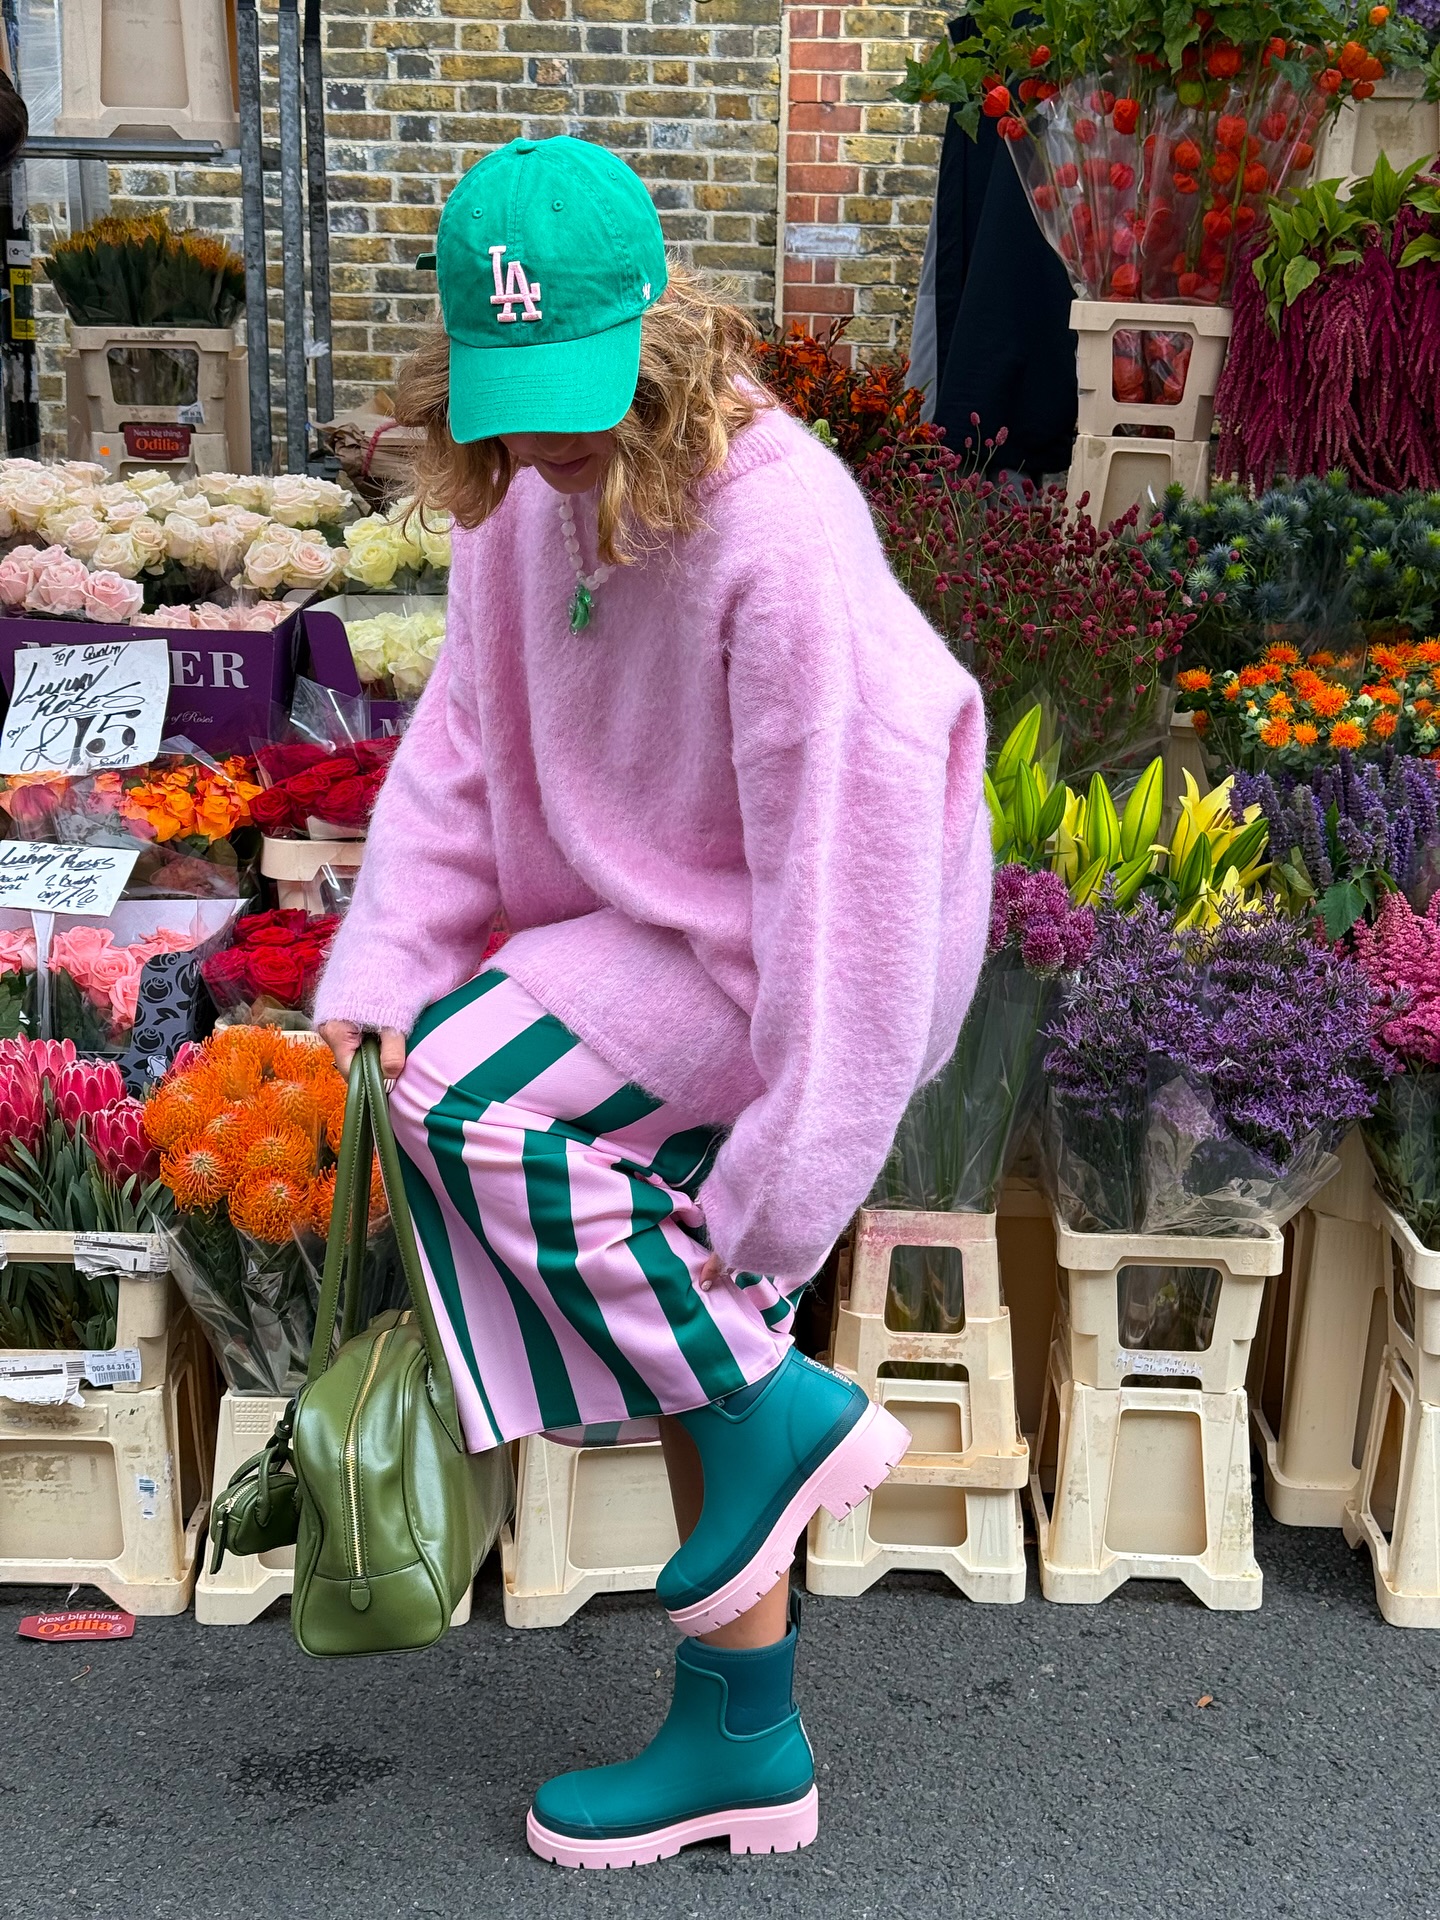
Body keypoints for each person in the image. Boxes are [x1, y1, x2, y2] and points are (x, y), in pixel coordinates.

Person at [315, 133, 990, 1871]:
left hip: (813, 963)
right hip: (654, 941)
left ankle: (767, 1420)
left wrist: (791, 1175)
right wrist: (382, 963)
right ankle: (743, 1742)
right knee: (677, 1297)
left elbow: (852, 887)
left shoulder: (780, 528)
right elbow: (460, 759)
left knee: (472, 1094)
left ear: (660, 328)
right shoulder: (520, 512)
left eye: (574, 391)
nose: (539, 438)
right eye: (507, 392)